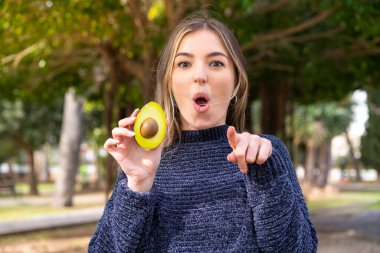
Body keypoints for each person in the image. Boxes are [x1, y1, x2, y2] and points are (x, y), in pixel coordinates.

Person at [89, 12, 318, 253]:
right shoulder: (142, 162)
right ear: (169, 83)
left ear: (236, 83)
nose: (200, 76)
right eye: (184, 64)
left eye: (216, 63)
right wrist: (138, 184)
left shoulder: (267, 154)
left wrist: (264, 174)